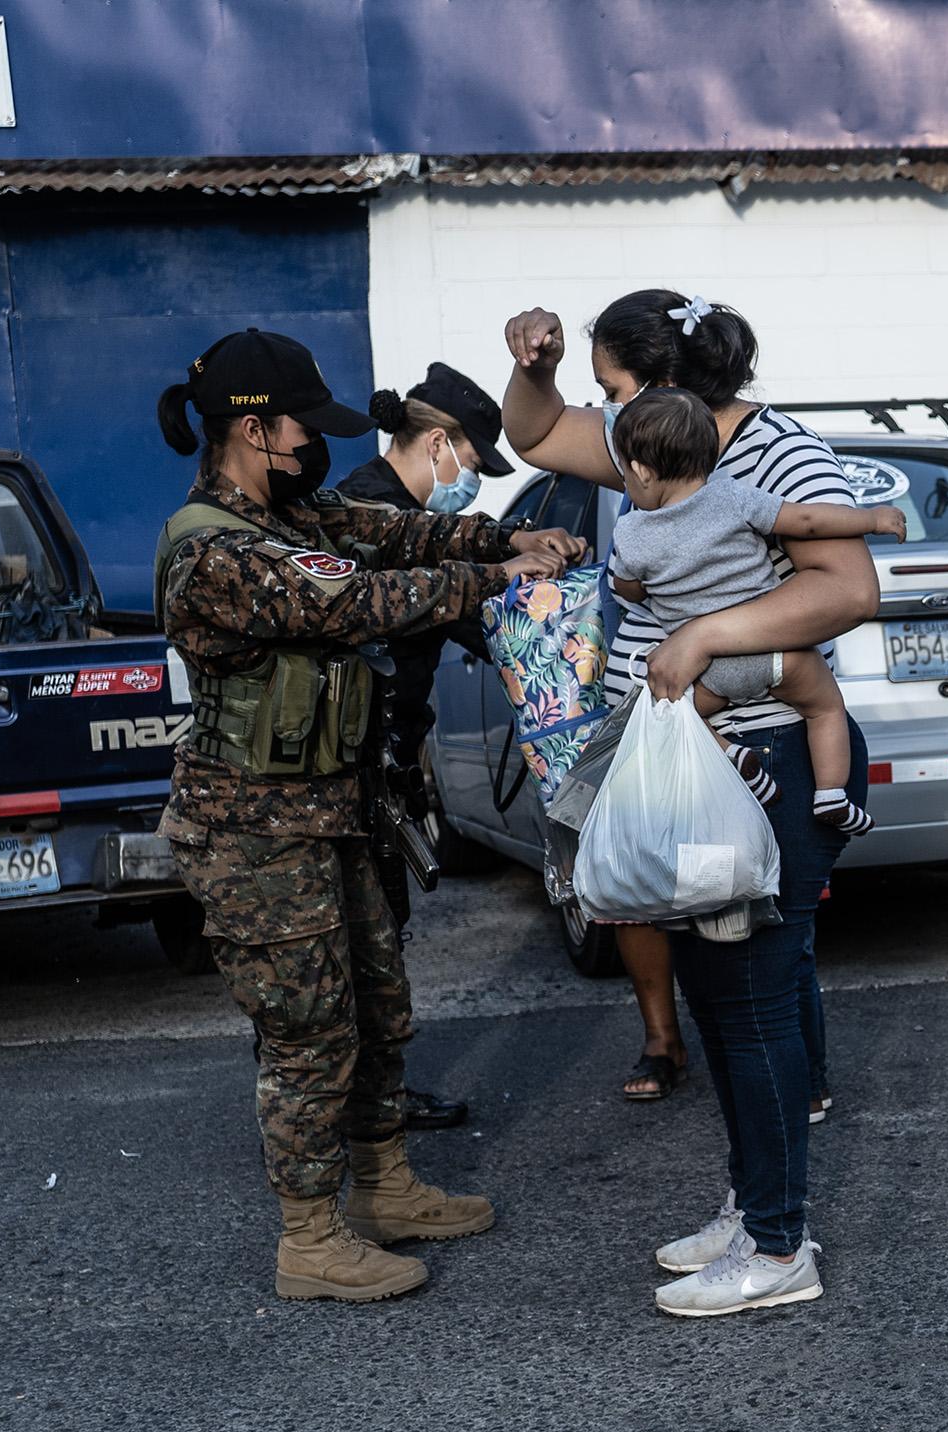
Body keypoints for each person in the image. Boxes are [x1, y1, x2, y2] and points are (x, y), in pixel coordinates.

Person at [150, 328, 582, 1302]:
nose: (318, 443)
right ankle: (311, 1237)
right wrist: (490, 579)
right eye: (304, 425)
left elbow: (398, 533)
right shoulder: (212, 549)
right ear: (254, 431)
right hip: (256, 833)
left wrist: (504, 537)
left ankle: (386, 1189)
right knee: (310, 1030)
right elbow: (358, 600)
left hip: (336, 812)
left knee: (380, 1008)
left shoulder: (300, 513)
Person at [502, 290, 879, 1316]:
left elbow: (848, 588)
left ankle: (777, 1243)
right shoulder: (653, 443)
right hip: (684, 758)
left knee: (752, 999)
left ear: (665, 388)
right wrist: (530, 366)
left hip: (758, 760)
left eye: (610, 388)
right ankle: (753, 1198)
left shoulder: (778, 456)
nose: (602, 413)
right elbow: (531, 431)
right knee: (718, 992)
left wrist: (708, 638)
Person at [332, 361, 518, 1131]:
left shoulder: (417, 524)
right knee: (345, 951)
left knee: (381, 944)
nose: (471, 481)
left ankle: (375, 1094)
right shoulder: (362, 514)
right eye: (472, 463)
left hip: (391, 768)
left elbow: (478, 618)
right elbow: (434, 591)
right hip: (348, 772)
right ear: (438, 443)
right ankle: (341, 1108)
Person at [604, 385, 893, 835]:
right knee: (825, 708)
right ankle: (833, 796)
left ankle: (733, 755)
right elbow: (808, 520)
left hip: (710, 674)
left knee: (676, 718)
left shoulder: (631, 534)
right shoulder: (734, 497)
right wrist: (872, 520)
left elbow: (629, 588)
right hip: (777, 657)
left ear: (640, 472)